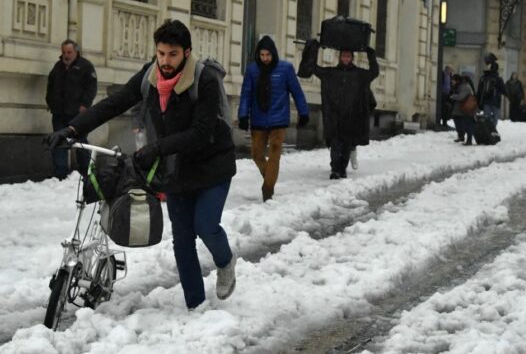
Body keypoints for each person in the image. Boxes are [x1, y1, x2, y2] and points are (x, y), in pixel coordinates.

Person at [43, 20, 237, 309]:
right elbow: (115, 103)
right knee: (182, 240)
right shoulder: (150, 77)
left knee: (206, 225)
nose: (165, 61)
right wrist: (72, 129)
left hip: (212, 165)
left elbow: (201, 133)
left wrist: (155, 149)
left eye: (172, 54)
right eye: (160, 54)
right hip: (177, 169)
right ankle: (196, 307)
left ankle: (225, 261)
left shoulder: (204, 80)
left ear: (186, 52)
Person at [238, 36, 309, 201]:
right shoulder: (252, 70)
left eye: (268, 55)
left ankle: (267, 191)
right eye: (262, 55)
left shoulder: (285, 69)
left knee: (275, 153)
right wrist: (243, 115)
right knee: (256, 154)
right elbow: (246, 94)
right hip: (258, 119)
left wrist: (303, 112)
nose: (265, 58)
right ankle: (269, 176)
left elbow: (297, 92)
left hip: (279, 119)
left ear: (273, 54)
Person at [298, 39, 379, 179]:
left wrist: (371, 55)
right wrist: (313, 49)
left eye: (348, 56)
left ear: (352, 58)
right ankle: (335, 169)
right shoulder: (331, 73)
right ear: (339, 57)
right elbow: (314, 68)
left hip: (351, 116)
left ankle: (343, 168)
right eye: (343, 56)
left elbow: (374, 72)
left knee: (347, 145)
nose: (345, 58)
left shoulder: (359, 74)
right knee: (335, 144)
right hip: (334, 116)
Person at [45, 39, 97, 179]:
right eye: (64, 52)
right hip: (59, 112)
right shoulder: (57, 67)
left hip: (77, 114)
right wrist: (50, 102)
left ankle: (85, 171)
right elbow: (50, 85)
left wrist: (85, 105)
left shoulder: (85, 66)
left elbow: (92, 87)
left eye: (69, 52)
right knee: (58, 142)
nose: (66, 55)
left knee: (80, 142)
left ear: (76, 52)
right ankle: (60, 173)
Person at [449, 74, 475, 145]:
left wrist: (453, 96)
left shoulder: (465, 87)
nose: (452, 81)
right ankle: (461, 136)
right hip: (460, 108)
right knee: (458, 120)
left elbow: (461, 97)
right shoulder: (459, 86)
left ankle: (469, 140)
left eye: (453, 80)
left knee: (467, 124)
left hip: (466, 108)